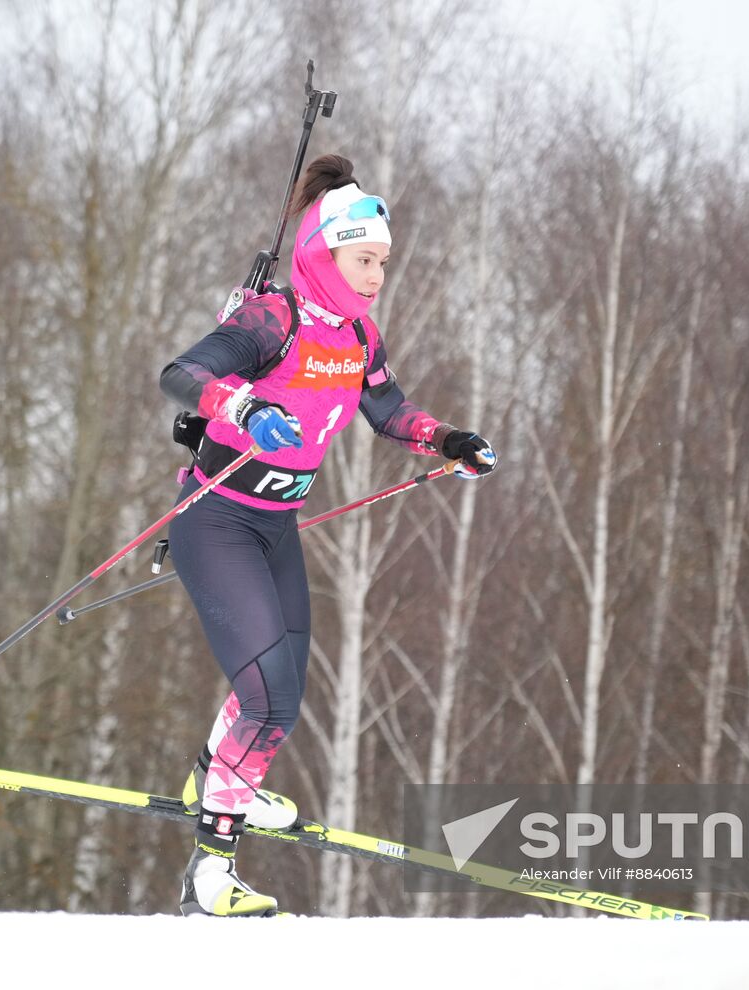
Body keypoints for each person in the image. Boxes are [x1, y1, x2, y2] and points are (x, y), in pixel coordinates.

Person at [158, 154, 497, 917]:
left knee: (280, 697)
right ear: (323, 252)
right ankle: (211, 870)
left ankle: (218, 774)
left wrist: (448, 440)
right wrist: (241, 408)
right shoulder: (271, 320)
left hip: (276, 527)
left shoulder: (358, 337)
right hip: (215, 521)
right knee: (269, 698)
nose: (376, 275)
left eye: (382, 262)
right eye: (363, 259)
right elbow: (181, 374)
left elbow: (390, 411)